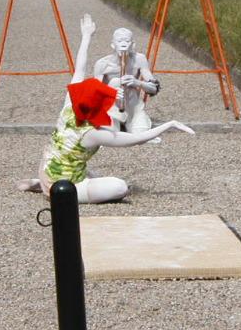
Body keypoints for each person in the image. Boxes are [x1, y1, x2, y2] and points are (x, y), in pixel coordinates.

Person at [17, 14, 194, 203]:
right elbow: (135, 139)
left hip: (49, 165)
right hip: (64, 187)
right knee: (120, 187)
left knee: (91, 171)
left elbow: (79, 69)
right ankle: (50, 189)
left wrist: (86, 36)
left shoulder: (70, 102)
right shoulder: (91, 133)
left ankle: (42, 182)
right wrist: (170, 124)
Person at [93, 27, 159, 136]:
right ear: (113, 45)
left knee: (141, 135)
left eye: (127, 41)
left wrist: (138, 83)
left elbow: (154, 88)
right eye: (119, 41)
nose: (123, 44)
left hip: (133, 107)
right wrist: (111, 90)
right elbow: (94, 94)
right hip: (111, 107)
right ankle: (113, 123)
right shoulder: (102, 64)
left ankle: (133, 122)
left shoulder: (139, 59)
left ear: (132, 45)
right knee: (109, 136)